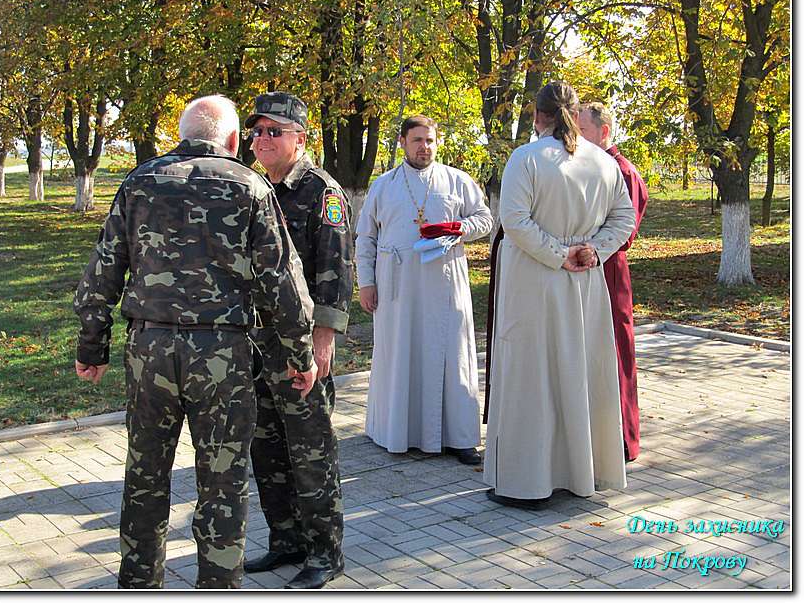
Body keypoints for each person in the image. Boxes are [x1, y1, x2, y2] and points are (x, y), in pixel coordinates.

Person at [73, 95, 318, 589]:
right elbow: (282, 284)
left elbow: (103, 271)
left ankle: (139, 584)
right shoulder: (249, 186)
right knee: (222, 483)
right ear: (232, 139)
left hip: (150, 351)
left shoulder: (140, 181)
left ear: (182, 135)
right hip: (222, 356)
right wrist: (299, 355)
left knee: (145, 477)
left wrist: (91, 345)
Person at [483, 81, 636, 508]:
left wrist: (558, 254)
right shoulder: (603, 163)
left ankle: (527, 481)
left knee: (531, 372)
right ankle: (578, 471)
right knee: (578, 368)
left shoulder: (526, 158)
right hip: (583, 279)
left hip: (535, 278)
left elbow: (512, 219)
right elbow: (624, 219)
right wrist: (591, 250)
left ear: (538, 116)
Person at [241, 92, 352, 590]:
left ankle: (325, 553)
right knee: (265, 448)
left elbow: (335, 271)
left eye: (273, 131)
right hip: (256, 341)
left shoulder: (321, 191)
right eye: (257, 131)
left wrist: (324, 337)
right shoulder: (254, 186)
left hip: (301, 344)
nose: (262, 139)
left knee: (310, 452)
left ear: (300, 138)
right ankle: (284, 540)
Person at [355, 115, 493, 465]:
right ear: (402, 142)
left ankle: (459, 437)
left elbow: (485, 219)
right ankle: (396, 431)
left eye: (430, 140)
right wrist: (366, 282)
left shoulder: (457, 180)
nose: (424, 147)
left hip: (445, 283)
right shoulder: (383, 185)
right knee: (401, 352)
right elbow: (366, 237)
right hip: (397, 286)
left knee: (452, 356)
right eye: (417, 140)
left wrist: (458, 228)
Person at [578, 101, 649, 462]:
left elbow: (624, 230)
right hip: (588, 267)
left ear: (603, 132)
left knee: (616, 350)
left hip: (609, 268)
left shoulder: (622, 171)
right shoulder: (593, 167)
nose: (576, 139)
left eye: (583, 131)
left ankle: (623, 437)